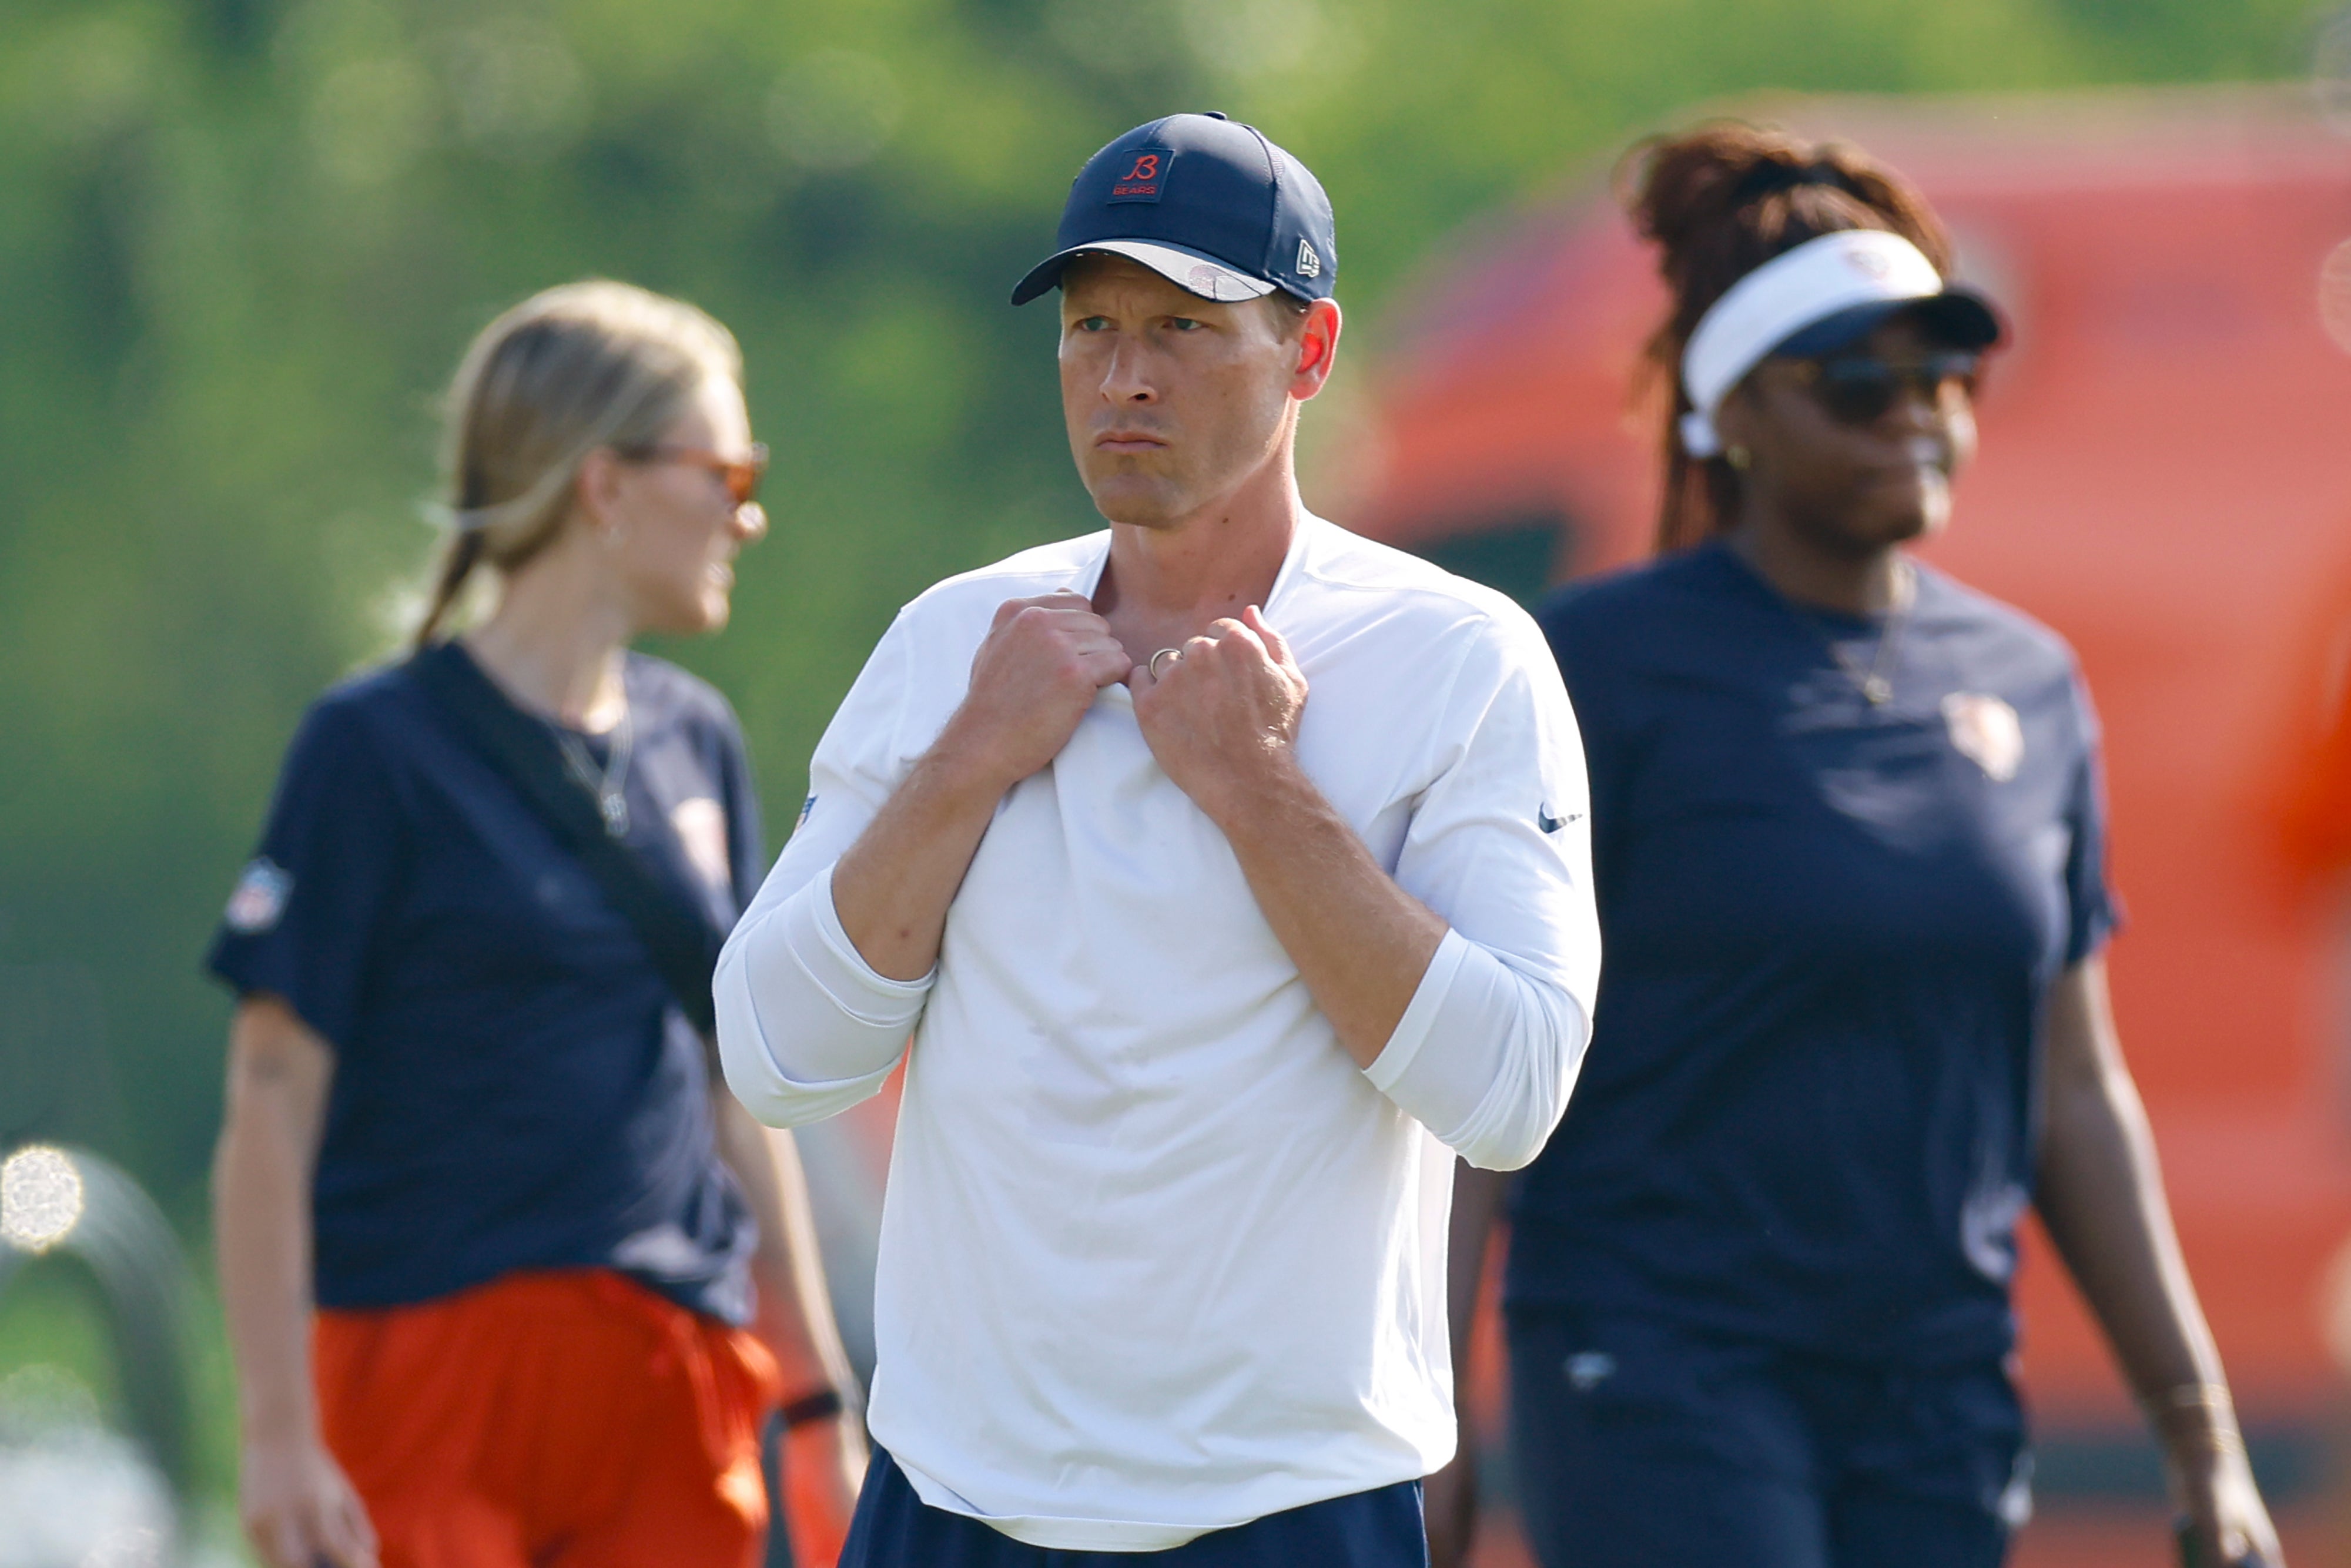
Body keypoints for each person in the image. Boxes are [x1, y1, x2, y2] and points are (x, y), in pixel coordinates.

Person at [715, 112, 1602, 1566]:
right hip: (953, 1500)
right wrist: (971, 756)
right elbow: (775, 1056)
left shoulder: (1460, 656)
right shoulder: (959, 644)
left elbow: (1508, 1092)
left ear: (1308, 354)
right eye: (1091, 327)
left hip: (1290, 1506)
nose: (1123, 374)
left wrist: (1258, 793)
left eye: (1183, 327)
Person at [1423, 123, 2283, 1568]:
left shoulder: (2024, 682)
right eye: (1859, 382)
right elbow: (1478, 1075)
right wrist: (1432, 1415)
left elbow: (2073, 1087)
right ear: (1731, 416)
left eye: (1944, 376)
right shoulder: (1591, 669)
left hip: (1934, 1388)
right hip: (1659, 1369)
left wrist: (2198, 1437)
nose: (1918, 415)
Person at [209, 280, 863, 1568]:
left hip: (668, 1373)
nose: (750, 509)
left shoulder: (697, 741)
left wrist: (814, 1399)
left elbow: (740, 1094)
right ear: (603, 486)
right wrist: (278, 1428)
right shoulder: (374, 749)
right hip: (426, 1373)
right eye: (725, 468)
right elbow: (270, 1104)